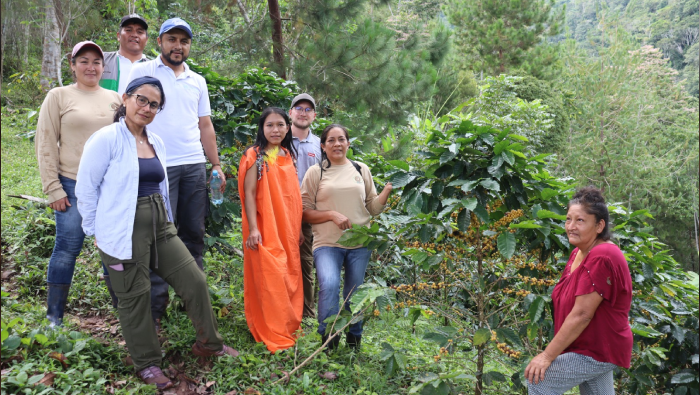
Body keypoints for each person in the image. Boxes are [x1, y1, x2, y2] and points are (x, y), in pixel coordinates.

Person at [75, 77, 238, 390]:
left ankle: (209, 344)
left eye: (154, 104)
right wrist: (96, 232)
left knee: (194, 280)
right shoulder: (106, 139)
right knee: (134, 296)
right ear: (126, 98)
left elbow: (162, 188)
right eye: (141, 99)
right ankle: (147, 363)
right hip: (123, 229)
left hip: (161, 226)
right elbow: (86, 190)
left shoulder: (156, 142)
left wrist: (167, 222)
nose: (146, 108)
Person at [127, 17, 225, 326]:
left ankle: (191, 301)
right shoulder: (143, 71)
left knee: (193, 235)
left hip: (194, 165)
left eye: (183, 41)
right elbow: (125, 112)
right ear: (160, 42)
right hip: (157, 166)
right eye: (172, 39)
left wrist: (217, 164)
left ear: (189, 45)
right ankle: (156, 308)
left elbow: (205, 125)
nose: (177, 46)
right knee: (157, 237)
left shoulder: (197, 80)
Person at [35, 41, 121, 326]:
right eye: (83, 61)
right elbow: (45, 141)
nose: (90, 66)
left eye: (96, 61)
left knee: (112, 249)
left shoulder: (115, 97)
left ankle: (125, 315)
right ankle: (54, 318)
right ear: (72, 66)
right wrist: (53, 187)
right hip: (71, 184)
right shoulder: (58, 96)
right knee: (67, 248)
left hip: (109, 188)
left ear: (103, 67)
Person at [525, 186, 633, 394]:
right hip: (594, 346)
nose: (571, 226)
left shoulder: (602, 256)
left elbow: (582, 314)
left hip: (596, 349)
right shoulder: (579, 253)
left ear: (599, 225)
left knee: (539, 380)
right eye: (568, 219)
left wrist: (547, 356)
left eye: (580, 220)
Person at [300, 124, 392, 350]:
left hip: (360, 243)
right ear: (323, 146)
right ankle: (328, 339)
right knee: (329, 284)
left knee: (355, 292)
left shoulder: (361, 169)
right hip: (327, 243)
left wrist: (386, 192)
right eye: (331, 140)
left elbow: (372, 207)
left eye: (341, 139)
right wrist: (331, 215)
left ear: (348, 143)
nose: (337, 144)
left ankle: (354, 340)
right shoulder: (316, 172)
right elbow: (303, 212)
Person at [238, 107, 304, 353]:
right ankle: (271, 329)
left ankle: (286, 326)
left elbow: (291, 197)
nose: (275, 130)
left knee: (289, 273)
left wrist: (296, 229)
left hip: (287, 228)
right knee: (270, 275)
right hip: (263, 228)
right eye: (270, 125)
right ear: (262, 129)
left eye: (280, 125)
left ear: (288, 128)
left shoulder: (287, 154)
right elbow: (249, 194)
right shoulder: (254, 155)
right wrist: (254, 229)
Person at [289, 93, 322, 319]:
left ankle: (307, 313)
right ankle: (282, 310)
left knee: (305, 264)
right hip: (279, 210)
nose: (303, 112)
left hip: (307, 213)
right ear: (290, 112)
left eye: (308, 109)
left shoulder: (320, 144)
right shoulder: (278, 138)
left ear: (314, 115)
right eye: (298, 108)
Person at [99, 13, 150, 94]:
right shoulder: (101, 60)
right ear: (118, 36)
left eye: (140, 32)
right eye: (129, 30)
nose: (134, 35)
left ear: (146, 40)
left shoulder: (152, 68)